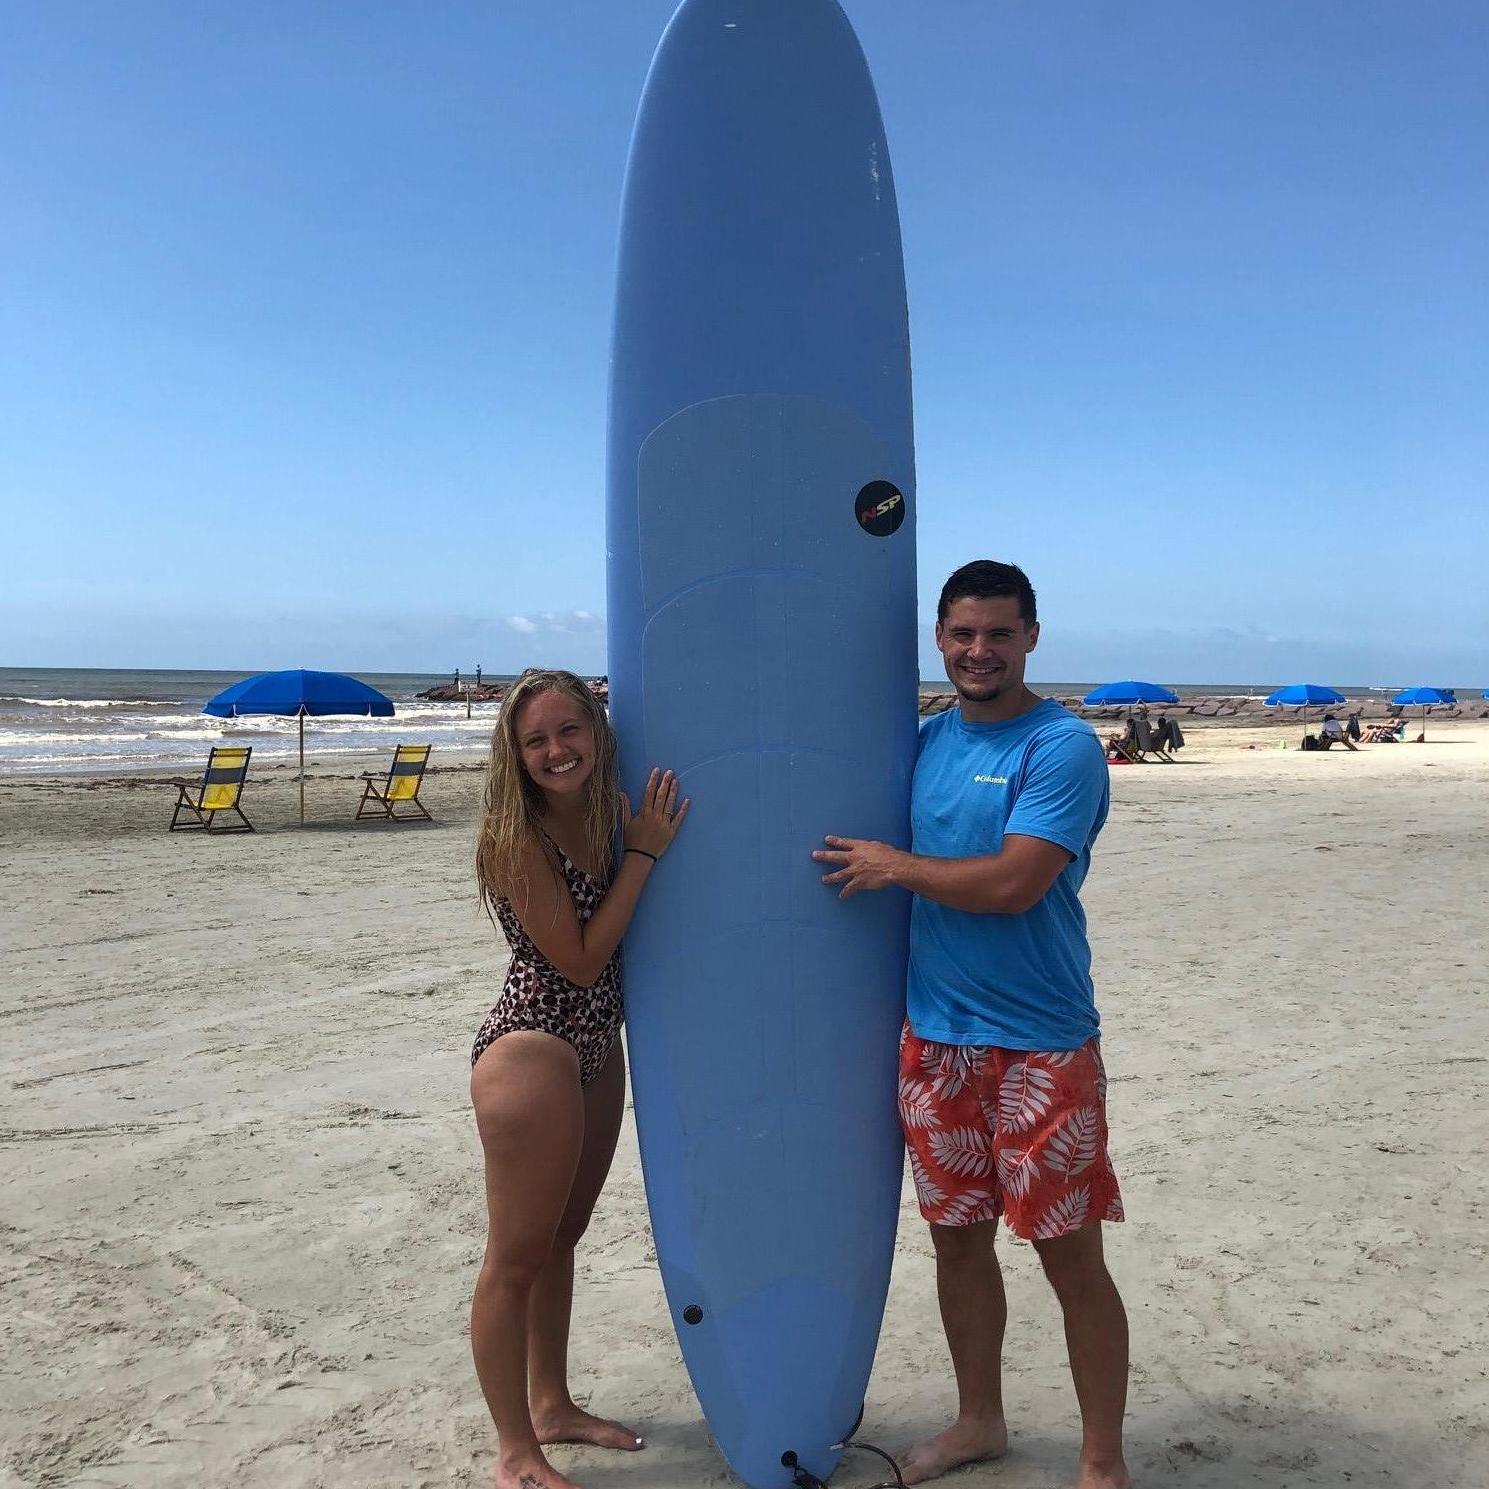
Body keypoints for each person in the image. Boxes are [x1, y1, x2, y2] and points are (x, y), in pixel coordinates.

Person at [814, 560, 1130, 1489]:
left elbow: (1013, 880)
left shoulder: (1061, 746)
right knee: (957, 1240)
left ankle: (1101, 1459)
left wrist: (894, 866)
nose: (978, 651)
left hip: (1040, 1044)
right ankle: (978, 1420)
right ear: (939, 639)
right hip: (934, 1041)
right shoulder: (920, 741)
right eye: (960, 633)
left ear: (1031, 635)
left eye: (997, 633)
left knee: (1068, 1255)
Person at [469, 668, 689, 1489]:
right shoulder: (515, 836)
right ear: (514, 754)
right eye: (536, 739)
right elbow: (583, 955)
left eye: (570, 731)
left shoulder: (607, 813)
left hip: (598, 1044)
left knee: (562, 1237)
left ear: (597, 732)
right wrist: (644, 852)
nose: (556, 750)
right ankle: (515, 1450)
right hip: (534, 1045)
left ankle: (552, 1403)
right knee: (514, 1257)